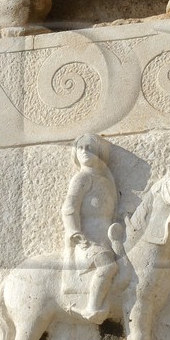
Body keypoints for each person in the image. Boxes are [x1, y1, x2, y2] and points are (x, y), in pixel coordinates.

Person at [61, 135, 121, 321]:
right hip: (89, 239)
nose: (85, 151)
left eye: (90, 147)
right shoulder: (82, 178)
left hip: (109, 237)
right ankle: (93, 308)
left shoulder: (106, 179)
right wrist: (74, 231)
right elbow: (69, 208)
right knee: (107, 266)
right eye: (81, 148)